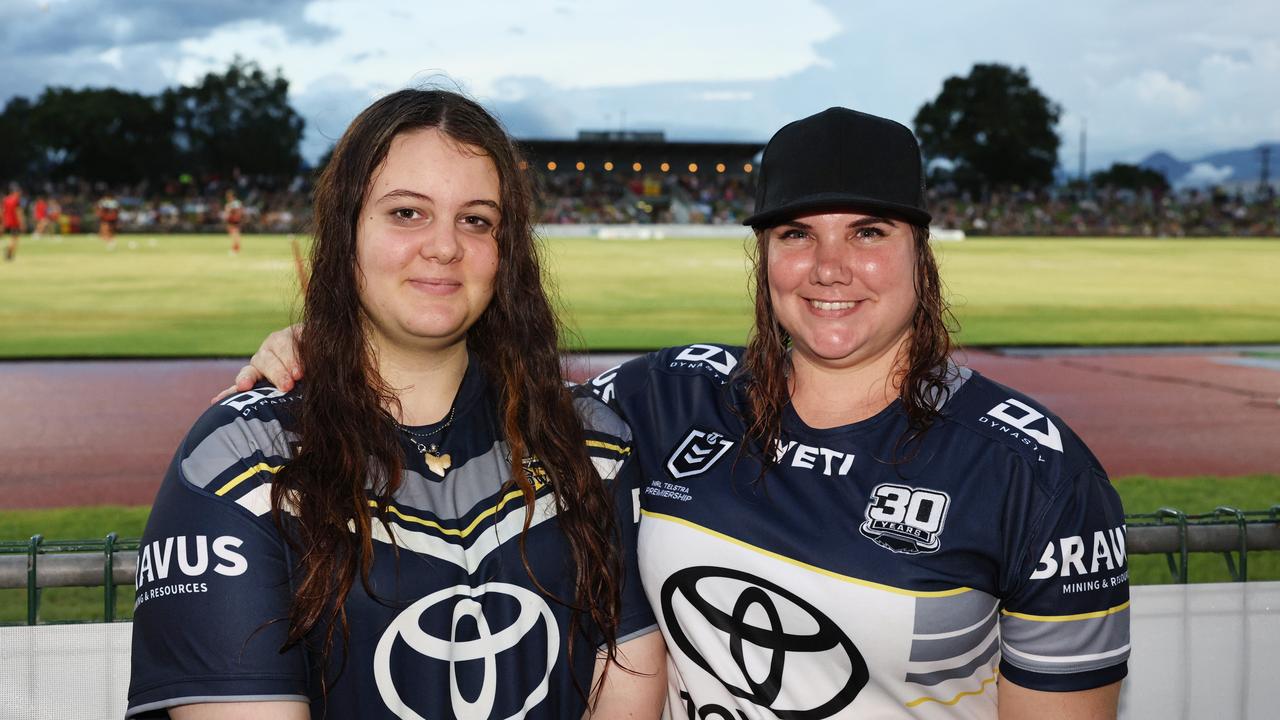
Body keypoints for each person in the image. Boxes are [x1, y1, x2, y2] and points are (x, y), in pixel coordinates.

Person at [227, 107, 1129, 719]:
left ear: (920, 252)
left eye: (868, 233)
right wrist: (322, 346)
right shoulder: (667, 399)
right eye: (796, 234)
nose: (829, 268)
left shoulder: (1037, 474)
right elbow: (482, 399)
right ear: (762, 254)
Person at [129, 89, 666, 719]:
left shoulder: (589, 438)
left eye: (476, 220)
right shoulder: (239, 460)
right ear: (345, 229)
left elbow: (628, 676)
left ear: (507, 250)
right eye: (407, 212)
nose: (444, 247)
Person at [2, 183, 22, 261]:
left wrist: (3, 222)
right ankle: (9, 253)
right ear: (15, 191)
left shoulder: (5, 199)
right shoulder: (16, 200)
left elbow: (3, 211)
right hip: (15, 222)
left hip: (7, 221)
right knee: (15, 239)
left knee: (13, 238)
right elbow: (18, 212)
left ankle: (9, 253)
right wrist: (21, 222)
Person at [223, 189, 244, 254]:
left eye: (229, 196)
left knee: (235, 235)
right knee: (233, 235)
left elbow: (238, 212)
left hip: (234, 221)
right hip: (231, 221)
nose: (228, 197)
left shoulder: (235, 203)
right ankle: (235, 248)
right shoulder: (230, 203)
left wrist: (230, 212)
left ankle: (235, 249)